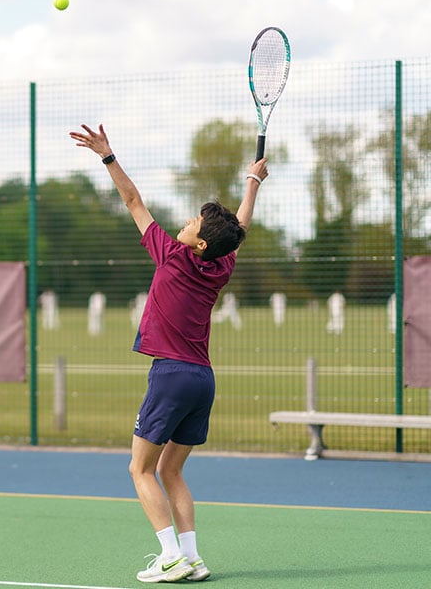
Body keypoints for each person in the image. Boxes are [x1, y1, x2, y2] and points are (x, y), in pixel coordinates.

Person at [69, 123, 268, 583]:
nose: (185, 222)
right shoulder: (220, 264)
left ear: (198, 242)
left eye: (193, 223)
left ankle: (170, 555)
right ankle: (193, 557)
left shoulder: (172, 255)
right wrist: (252, 183)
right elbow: (240, 229)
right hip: (203, 380)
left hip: (172, 376)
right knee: (171, 471)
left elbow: (133, 202)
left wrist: (107, 156)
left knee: (140, 469)